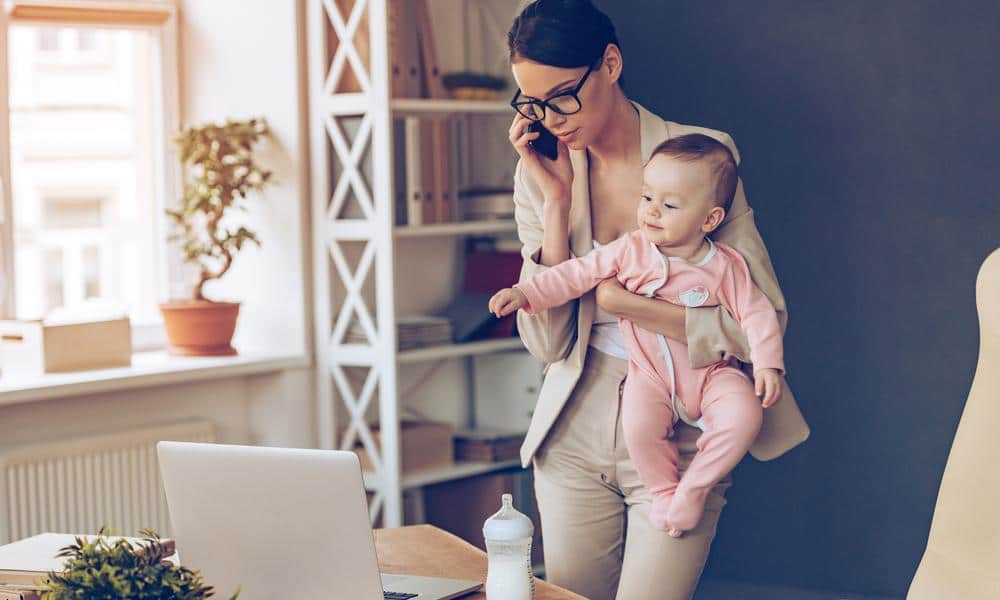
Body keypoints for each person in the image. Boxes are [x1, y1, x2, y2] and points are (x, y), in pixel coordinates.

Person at [505, 1, 811, 598]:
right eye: (533, 103)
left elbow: (761, 317)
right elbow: (547, 342)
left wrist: (635, 307)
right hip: (574, 424)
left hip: (684, 423)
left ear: (611, 64)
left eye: (562, 96)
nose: (551, 119)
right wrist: (556, 207)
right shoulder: (538, 173)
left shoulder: (701, 155)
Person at [491, 133, 784, 538]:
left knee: (745, 415)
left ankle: (694, 486)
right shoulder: (630, 249)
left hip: (713, 374)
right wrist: (525, 292)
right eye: (647, 198)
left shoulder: (724, 265)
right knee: (639, 427)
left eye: (670, 205)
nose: (652, 212)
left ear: (710, 219)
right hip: (649, 378)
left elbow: (757, 313)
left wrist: (768, 365)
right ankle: (664, 492)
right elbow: (577, 274)